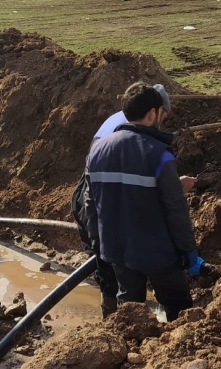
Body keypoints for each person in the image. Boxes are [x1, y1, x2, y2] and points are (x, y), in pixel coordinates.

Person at [71, 84, 195, 317]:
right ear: (151, 113)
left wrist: (100, 246)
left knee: (128, 310)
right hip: (158, 252)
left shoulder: (97, 150)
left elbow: (90, 203)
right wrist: (188, 251)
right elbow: (175, 208)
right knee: (179, 309)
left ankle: (128, 348)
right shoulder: (159, 153)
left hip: (117, 250)